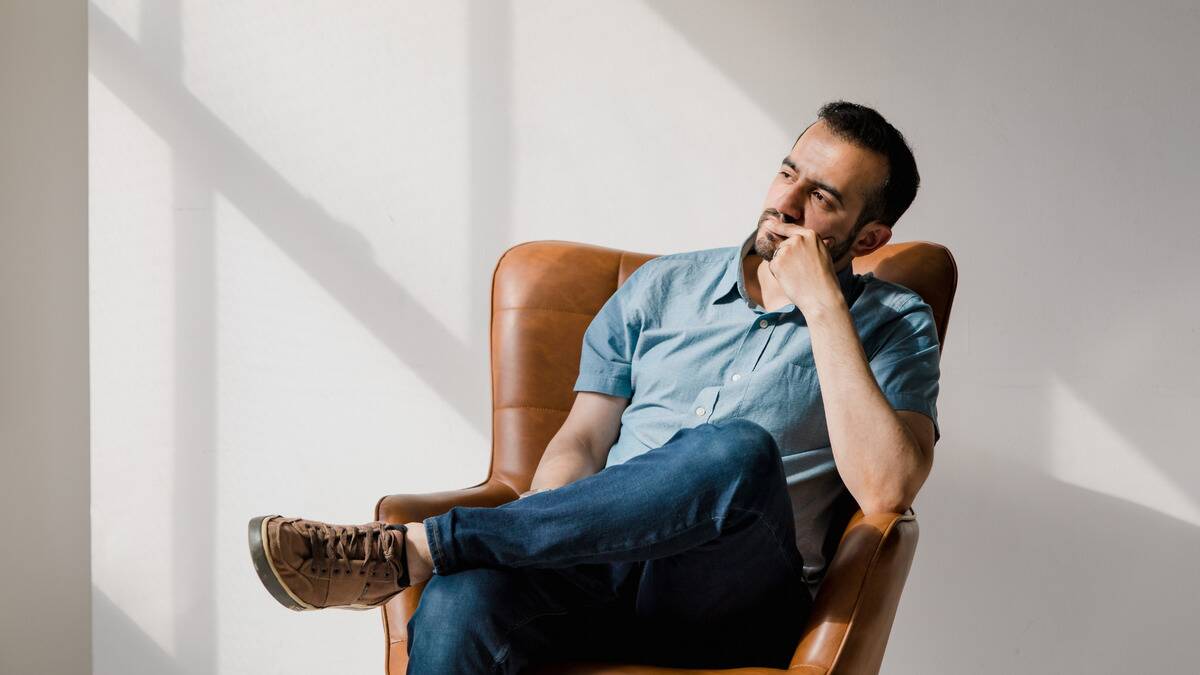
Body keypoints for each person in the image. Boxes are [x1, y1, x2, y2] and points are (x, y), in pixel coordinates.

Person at [248, 100, 940, 673]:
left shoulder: (891, 321)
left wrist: (822, 305)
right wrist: (533, 537)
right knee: (462, 597)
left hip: (726, 599)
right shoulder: (663, 288)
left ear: (870, 234)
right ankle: (447, 554)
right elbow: (581, 438)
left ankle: (416, 547)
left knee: (736, 451)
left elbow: (888, 488)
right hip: (595, 573)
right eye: (787, 172)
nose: (784, 202)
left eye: (820, 197)